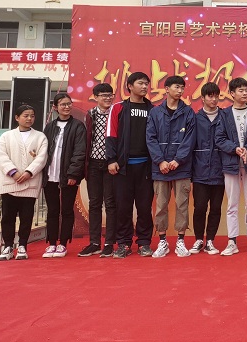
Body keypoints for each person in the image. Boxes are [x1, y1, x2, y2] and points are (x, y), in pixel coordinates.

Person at [214, 77, 247, 256]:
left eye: (246, 90)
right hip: (231, 164)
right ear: (232, 93)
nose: (244, 93)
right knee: (232, 204)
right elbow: (219, 138)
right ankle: (232, 242)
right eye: (240, 90)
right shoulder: (224, 114)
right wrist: (235, 149)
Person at [146, 75, 196, 258]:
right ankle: (162, 241)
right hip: (160, 168)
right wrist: (160, 161)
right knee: (160, 206)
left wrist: (178, 160)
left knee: (182, 205)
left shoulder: (188, 112)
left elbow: (190, 139)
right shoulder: (155, 113)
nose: (180, 90)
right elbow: (150, 138)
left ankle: (181, 241)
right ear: (166, 89)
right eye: (176, 87)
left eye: (182, 87)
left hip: (181, 167)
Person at [107, 72, 155, 258]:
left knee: (144, 207)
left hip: (146, 167)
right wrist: (111, 160)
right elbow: (111, 134)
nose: (144, 87)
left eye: (146, 84)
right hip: (123, 168)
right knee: (123, 208)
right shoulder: (118, 108)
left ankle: (144, 243)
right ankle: (124, 243)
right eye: (140, 83)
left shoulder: (153, 109)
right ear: (129, 86)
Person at [0, 105, 49, 261]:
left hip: (30, 183)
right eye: (26, 115)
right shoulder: (6, 136)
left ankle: (23, 245)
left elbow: (42, 158)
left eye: (32, 116)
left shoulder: (40, 137)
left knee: (26, 217)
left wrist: (28, 173)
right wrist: (13, 172)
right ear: (17, 118)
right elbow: (1, 156)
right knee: (8, 217)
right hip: (9, 183)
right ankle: (8, 246)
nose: (29, 118)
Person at [42, 93, 87, 258]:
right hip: (50, 174)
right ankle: (51, 243)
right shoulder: (50, 127)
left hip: (69, 175)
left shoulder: (78, 126)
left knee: (67, 210)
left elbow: (80, 152)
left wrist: (73, 173)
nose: (67, 107)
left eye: (69, 104)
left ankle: (63, 243)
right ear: (55, 107)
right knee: (52, 210)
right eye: (63, 104)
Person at [79, 83, 117, 258]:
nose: (107, 98)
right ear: (95, 97)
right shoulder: (90, 115)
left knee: (110, 203)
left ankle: (109, 243)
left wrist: (115, 160)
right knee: (94, 204)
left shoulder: (117, 113)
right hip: (94, 164)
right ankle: (94, 243)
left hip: (111, 164)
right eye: (103, 95)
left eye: (110, 95)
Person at [190, 82, 225, 255]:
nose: (214, 99)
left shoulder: (225, 117)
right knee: (200, 207)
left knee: (216, 208)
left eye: (216, 96)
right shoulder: (195, 118)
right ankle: (198, 239)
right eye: (210, 96)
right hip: (200, 171)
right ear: (202, 98)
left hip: (220, 171)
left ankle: (210, 240)